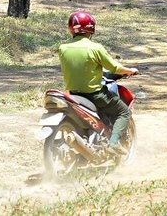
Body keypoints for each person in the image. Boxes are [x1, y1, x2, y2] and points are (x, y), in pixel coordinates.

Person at [57, 11, 137, 153]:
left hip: (73, 95)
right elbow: (114, 68)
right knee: (124, 112)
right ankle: (113, 142)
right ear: (91, 28)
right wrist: (130, 70)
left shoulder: (63, 48)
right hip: (94, 95)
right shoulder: (95, 48)